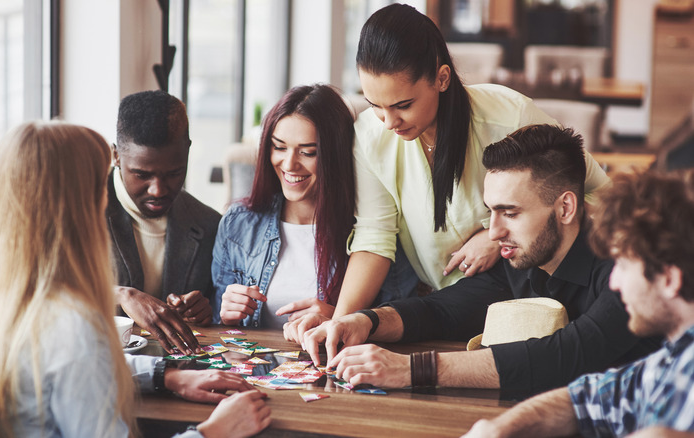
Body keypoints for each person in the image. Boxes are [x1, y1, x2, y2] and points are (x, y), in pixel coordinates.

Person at [284, 4, 612, 341]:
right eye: (375, 105)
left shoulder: (510, 117)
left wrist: (493, 236)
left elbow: (599, 194)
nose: (389, 122)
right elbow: (374, 239)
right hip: (443, 309)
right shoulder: (369, 136)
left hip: (528, 305)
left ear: (442, 78)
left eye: (403, 105)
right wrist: (341, 324)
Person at [0, 121, 270, 438]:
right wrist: (214, 432)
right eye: (101, 185)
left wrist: (165, 376)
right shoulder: (73, 327)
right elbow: (76, 355)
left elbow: (69, 369)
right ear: (78, 206)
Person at [301, 124, 659, 398]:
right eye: (491, 212)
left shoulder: (627, 270)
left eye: (510, 213)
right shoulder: (523, 261)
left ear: (565, 207)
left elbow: (570, 356)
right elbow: (443, 310)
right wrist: (365, 321)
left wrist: (411, 370)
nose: (493, 232)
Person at [463, 169, 694, 438]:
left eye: (623, 264)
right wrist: (497, 429)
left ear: (668, 279)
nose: (615, 282)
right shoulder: (672, 360)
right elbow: (585, 399)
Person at [213, 84, 366, 329]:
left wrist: (339, 317)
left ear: (336, 155)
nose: (289, 164)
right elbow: (218, 330)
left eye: (308, 152)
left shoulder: (371, 232)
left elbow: (396, 323)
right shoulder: (237, 223)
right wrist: (226, 316)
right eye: (279, 147)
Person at [109, 90, 219, 354]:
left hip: (179, 379)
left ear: (188, 152)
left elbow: (218, 315)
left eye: (173, 173)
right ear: (115, 156)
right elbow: (44, 293)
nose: (158, 190)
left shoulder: (209, 224)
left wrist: (205, 310)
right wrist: (122, 295)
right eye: (141, 174)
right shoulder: (77, 211)